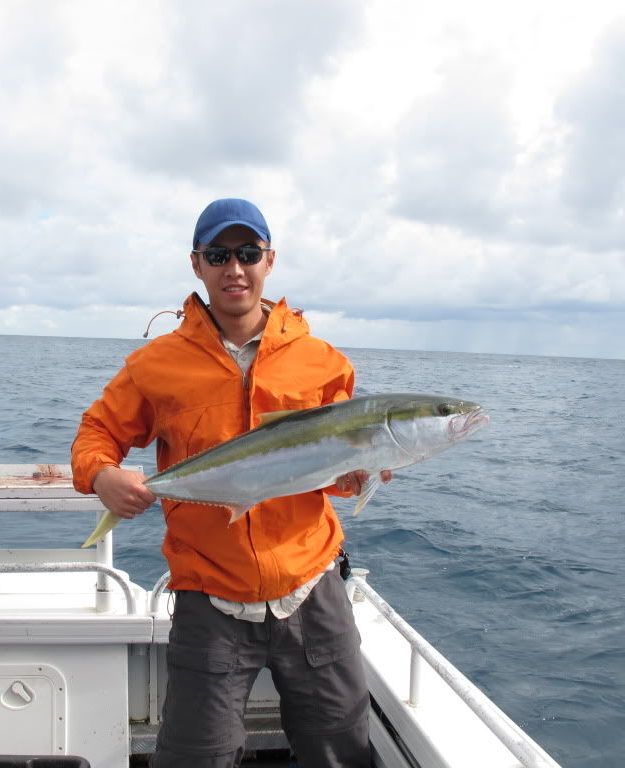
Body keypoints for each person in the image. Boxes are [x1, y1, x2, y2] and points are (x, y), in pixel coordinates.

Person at [71, 199, 389, 767]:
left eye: (247, 253)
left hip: (311, 588)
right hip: (209, 596)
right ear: (196, 264)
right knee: (196, 756)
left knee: (340, 749)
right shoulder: (156, 364)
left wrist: (357, 475)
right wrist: (101, 474)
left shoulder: (323, 362)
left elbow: (331, 476)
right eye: (218, 255)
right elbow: (97, 432)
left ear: (270, 260)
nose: (234, 268)